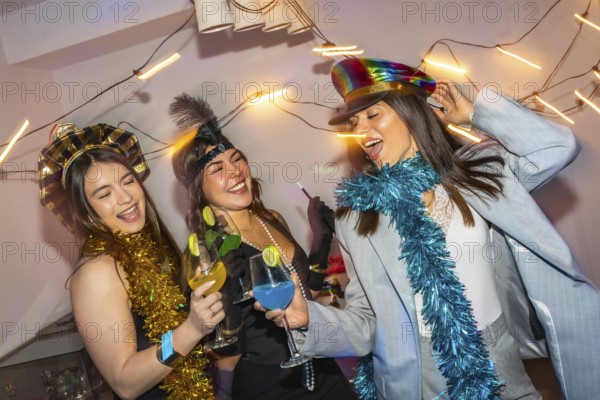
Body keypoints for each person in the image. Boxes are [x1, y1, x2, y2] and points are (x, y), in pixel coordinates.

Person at [258, 58, 600, 400]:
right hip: (420, 377)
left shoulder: (479, 174)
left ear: (411, 113)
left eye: (373, 115)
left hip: (502, 361)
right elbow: (365, 323)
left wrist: (476, 113)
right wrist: (310, 320)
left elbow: (556, 148)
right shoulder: (358, 219)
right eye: (354, 122)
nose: (361, 132)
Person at [169, 94, 354, 400]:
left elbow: (310, 294)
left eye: (236, 158)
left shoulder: (271, 218)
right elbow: (223, 356)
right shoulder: (204, 252)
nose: (235, 172)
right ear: (197, 188)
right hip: (270, 386)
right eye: (216, 168)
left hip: (323, 368)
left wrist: (320, 242)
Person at [38, 123, 223, 399]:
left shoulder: (148, 246)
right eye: (104, 194)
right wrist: (191, 330)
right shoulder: (95, 271)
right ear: (85, 211)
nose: (126, 198)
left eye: (127, 181)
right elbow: (124, 381)